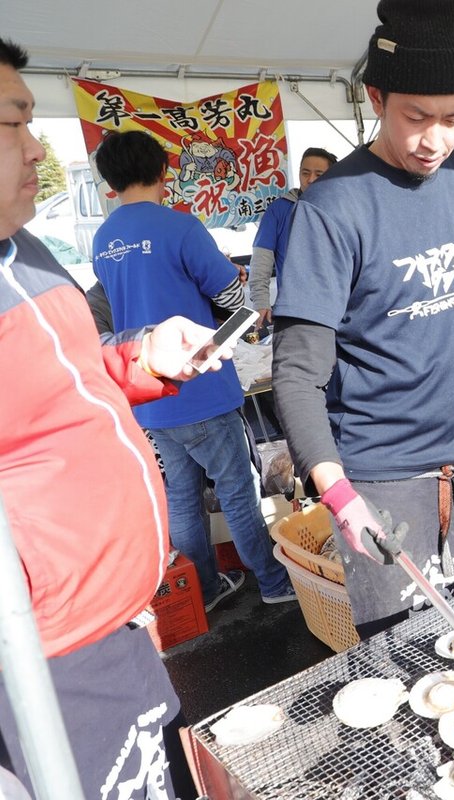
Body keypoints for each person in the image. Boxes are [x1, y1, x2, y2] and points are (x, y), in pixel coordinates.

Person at [0, 36, 229, 798]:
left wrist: (145, 357)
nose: (38, 150)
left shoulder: (31, 250)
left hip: (111, 620)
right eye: (13, 123)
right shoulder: (180, 226)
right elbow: (231, 295)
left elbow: (69, 379)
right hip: (46, 654)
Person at [272, 0, 454, 640]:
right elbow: (296, 374)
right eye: (417, 117)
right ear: (376, 96)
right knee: (408, 658)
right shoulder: (333, 207)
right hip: (379, 475)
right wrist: (336, 490)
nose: (436, 139)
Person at [91, 130, 295, 613]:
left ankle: (204, 589)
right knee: (237, 493)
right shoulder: (180, 227)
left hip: (148, 393)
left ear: (110, 182)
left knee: (182, 499)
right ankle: (271, 581)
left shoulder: (104, 238)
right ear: (165, 173)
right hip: (200, 386)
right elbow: (229, 297)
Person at [248, 146, 338, 323]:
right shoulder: (279, 210)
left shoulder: (342, 210)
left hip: (338, 309)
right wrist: (261, 301)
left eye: (319, 174)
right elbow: (261, 260)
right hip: (295, 312)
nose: (310, 179)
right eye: (305, 173)